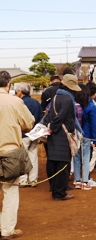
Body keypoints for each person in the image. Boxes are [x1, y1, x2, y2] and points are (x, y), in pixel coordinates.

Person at [0, 71, 34, 239]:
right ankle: (6, 230)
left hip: (8, 152)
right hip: (10, 153)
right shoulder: (16, 101)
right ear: (8, 85)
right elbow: (28, 124)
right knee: (10, 191)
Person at [43, 74, 82, 201]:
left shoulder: (55, 97)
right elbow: (61, 117)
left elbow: (49, 116)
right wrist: (53, 127)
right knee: (63, 165)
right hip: (62, 135)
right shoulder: (67, 99)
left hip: (54, 136)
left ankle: (55, 190)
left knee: (53, 163)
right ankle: (60, 193)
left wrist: (48, 128)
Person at [15, 82, 43, 187]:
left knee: (22, 158)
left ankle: (23, 180)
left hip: (23, 134)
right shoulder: (36, 103)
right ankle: (33, 180)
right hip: (34, 134)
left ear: (20, 91)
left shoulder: (19, 102)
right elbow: (41, 118)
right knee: (33, 157)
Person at [73, 84, 96, 190]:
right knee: (86, 158)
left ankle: (77, 180)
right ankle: (85, 181)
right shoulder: (91, 105)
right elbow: (93, 123)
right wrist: (95, 138)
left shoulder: (74, 104)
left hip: (75, 134)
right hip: (87, 135)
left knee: (76, 158)